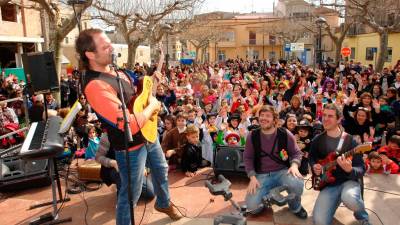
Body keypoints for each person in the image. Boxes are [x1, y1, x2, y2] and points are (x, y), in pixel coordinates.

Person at [75, 28, 181, 225]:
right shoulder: (95, 85)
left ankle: (164, 203)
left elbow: (138, 96)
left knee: (161, 170)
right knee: (130, 194)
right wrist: (153, 107)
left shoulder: (117, 71)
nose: (111, 47)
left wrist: (151, 85)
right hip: (130, 147)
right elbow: (128, 125)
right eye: (105, 46)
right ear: (90, 54)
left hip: (148, 133)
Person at [309, 103, 370, 225]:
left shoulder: (350, 140)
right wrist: (314, 166)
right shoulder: (317, 140)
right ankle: (335, 200)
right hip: (329, 184)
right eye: (324, 115)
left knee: (351, 199)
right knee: (319, 221)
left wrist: (349, 170)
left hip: (348, 181)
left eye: (330, 116)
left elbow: (361, 168)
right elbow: (312, 158)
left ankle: (362, 217)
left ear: (339, 119)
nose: (325, 119)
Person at [243, 105, 307, 219]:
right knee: (252, 208)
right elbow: (248, 158)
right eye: (261, 115)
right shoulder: (252, 136)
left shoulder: (285, 133)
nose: (263, 118)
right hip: (261, 175)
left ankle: (295, 206)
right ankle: (268, 194)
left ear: (275, 119)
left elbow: (296, 153)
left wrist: (294, 165)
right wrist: (252, 177)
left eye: (268, 116)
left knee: (297, 184)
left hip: (282, 172)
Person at [95, 132, 155, 200]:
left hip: (133, 167)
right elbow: (98, 157)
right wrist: (113, 163)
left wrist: (143, 166)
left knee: (150, 193)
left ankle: (130, 189)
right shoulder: (106, 135)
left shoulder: (136, 131)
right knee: (125, 199)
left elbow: (143, 153)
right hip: (115, 169)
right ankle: (123, 194)